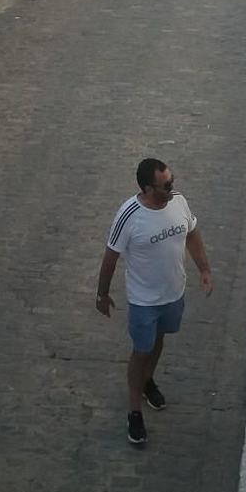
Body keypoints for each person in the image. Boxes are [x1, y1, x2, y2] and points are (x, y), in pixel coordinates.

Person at [95, 158, 213, 447]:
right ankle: (134, 410)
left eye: (172, 182)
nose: (172, 189)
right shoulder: (129, 215)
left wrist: (205, 270)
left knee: (159, 341)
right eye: (166, 185)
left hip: (173, 294)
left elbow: (193, 234)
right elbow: (111, 257)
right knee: (141, 350)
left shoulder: (179, 202)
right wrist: (102, 294)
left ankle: (148, 381)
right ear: (148, 188)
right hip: (143, 301)